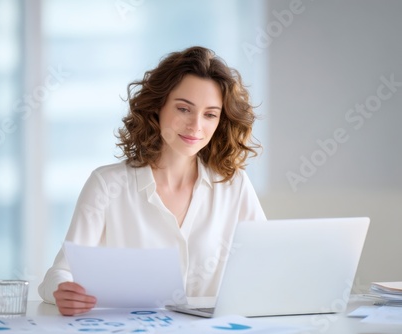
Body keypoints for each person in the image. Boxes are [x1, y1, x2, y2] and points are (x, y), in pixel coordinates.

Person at [38, 46, 266, 316]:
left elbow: (264, 265)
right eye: (184, 109)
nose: (196, 126)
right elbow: (60, 272)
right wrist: (63, 291)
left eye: (210, 114)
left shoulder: (233, 185)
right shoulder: (106, 184)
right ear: (157, 107)